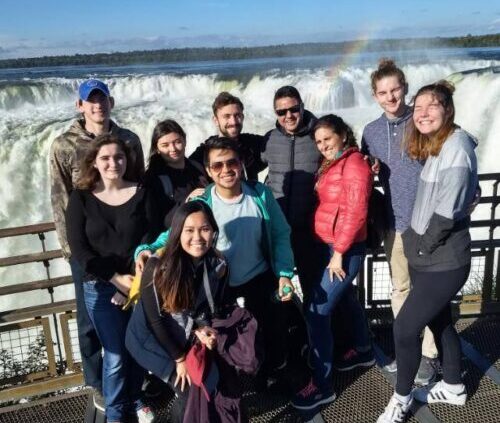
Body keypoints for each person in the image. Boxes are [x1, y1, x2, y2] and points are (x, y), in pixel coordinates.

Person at [135, 137, 295, 388]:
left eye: (232, 162)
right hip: (220, 283)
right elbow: (177, 234)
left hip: (260, 277)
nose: (226, 170)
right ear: (209, 171)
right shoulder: (203, 202)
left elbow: (280, 233)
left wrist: (284, 273)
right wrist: (147, 249)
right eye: (217, 165)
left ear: (241, 164)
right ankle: (232, 383)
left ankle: (273, 375)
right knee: (225, 338)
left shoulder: (259, 194)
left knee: (271, 329)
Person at [377, 81, 478, 423]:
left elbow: (447, 213)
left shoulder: (457, 147)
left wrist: (418, 247)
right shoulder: (439, 144)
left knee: (404, 330)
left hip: (444, 259)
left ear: (447, 109)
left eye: (431, 106)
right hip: (428, 255)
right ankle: (453, 386)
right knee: (439, 321)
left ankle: (401, 399)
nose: (422, 113)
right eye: (418, 108)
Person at [49, 79, 144, 410]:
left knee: (132, 315)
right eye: (90, 101)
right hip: (87, 252)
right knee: (89, 322)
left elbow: (138, 187)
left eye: (102, 99)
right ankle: (97, 384)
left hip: (128, 250)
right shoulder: (63, 145)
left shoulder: (128, 140)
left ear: (111, 102)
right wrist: (72, 252)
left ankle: (134, 385)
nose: (97, 105)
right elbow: (60, 199)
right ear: (80, 106)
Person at [66, 135, 159, 423]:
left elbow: (150, 238)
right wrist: (116, 278)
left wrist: (132, 282)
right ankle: (116, 415)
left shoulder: (142, 192)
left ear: (126, 159)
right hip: (99, 287)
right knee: (116, 354)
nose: (112, 163)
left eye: (118, 157)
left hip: (139, 281)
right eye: (105, 158)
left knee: (138, 346)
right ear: (94, 162)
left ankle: (135, 398)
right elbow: (80, 251)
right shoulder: (80, 198)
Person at [361, 59, 438, 383]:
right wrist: (370, 166)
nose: (391, 97)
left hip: (429, 223)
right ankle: (406, 347)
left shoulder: (422, 120)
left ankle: (430, 355)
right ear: (375, 96)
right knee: (401, 288)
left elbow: (451, 158)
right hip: (395, 223)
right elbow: (362, 174)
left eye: (395, 89)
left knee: (429, 291)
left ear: (405, 88)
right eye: (383, 92)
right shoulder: (371, 132)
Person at [291, 115, 374, 411]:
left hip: (344, 251)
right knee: (346, 299)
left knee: (316, 312)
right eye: (319, 141)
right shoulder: (334, 162)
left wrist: (338, 252)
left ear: (343, 135)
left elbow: (356, 212)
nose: (323, 145)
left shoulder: (354, 165)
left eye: (328, 138)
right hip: (330, 246)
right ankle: (364, 349)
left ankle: (322, 387)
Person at [127, 200, 228, 422]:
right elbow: (155, 321)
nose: (198, 238)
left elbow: (205, 308)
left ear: (213, 231)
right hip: (148, 339)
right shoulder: (157, 267)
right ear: (177, 233)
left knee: (210, 380)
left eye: (205, 229)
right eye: (189, 230)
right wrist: (180, 358)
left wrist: (202, 329)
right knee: (190, 388)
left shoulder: (216, 264)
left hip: (181, 332)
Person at [262, 85, 323, 304]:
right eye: (281, 112)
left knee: (314, 290)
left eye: (293, 109)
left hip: (310, 231)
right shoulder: (269, 140)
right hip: (277, 231)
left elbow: (343, 156)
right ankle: (289, 334)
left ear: (302, 107)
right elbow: (242, 162)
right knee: (276, 290)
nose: (288, 115)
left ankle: (316, 335)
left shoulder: (319, 135)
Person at [144, 119, 208, 229]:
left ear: (185, 141)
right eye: (165, 145)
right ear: (157, 149)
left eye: (177, 142)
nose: (173, 149)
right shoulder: (153, 178)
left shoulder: (198, 167)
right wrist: (187, 201)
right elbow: (159, 221)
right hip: (174, 237)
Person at [189, 91, 266, 180]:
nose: (233, 122)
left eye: (237, 115)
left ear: (243, 117)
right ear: (216, 120)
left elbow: (277, 143)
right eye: (227, 116)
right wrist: (192, 193)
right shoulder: (205, 152)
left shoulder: (252, 144)